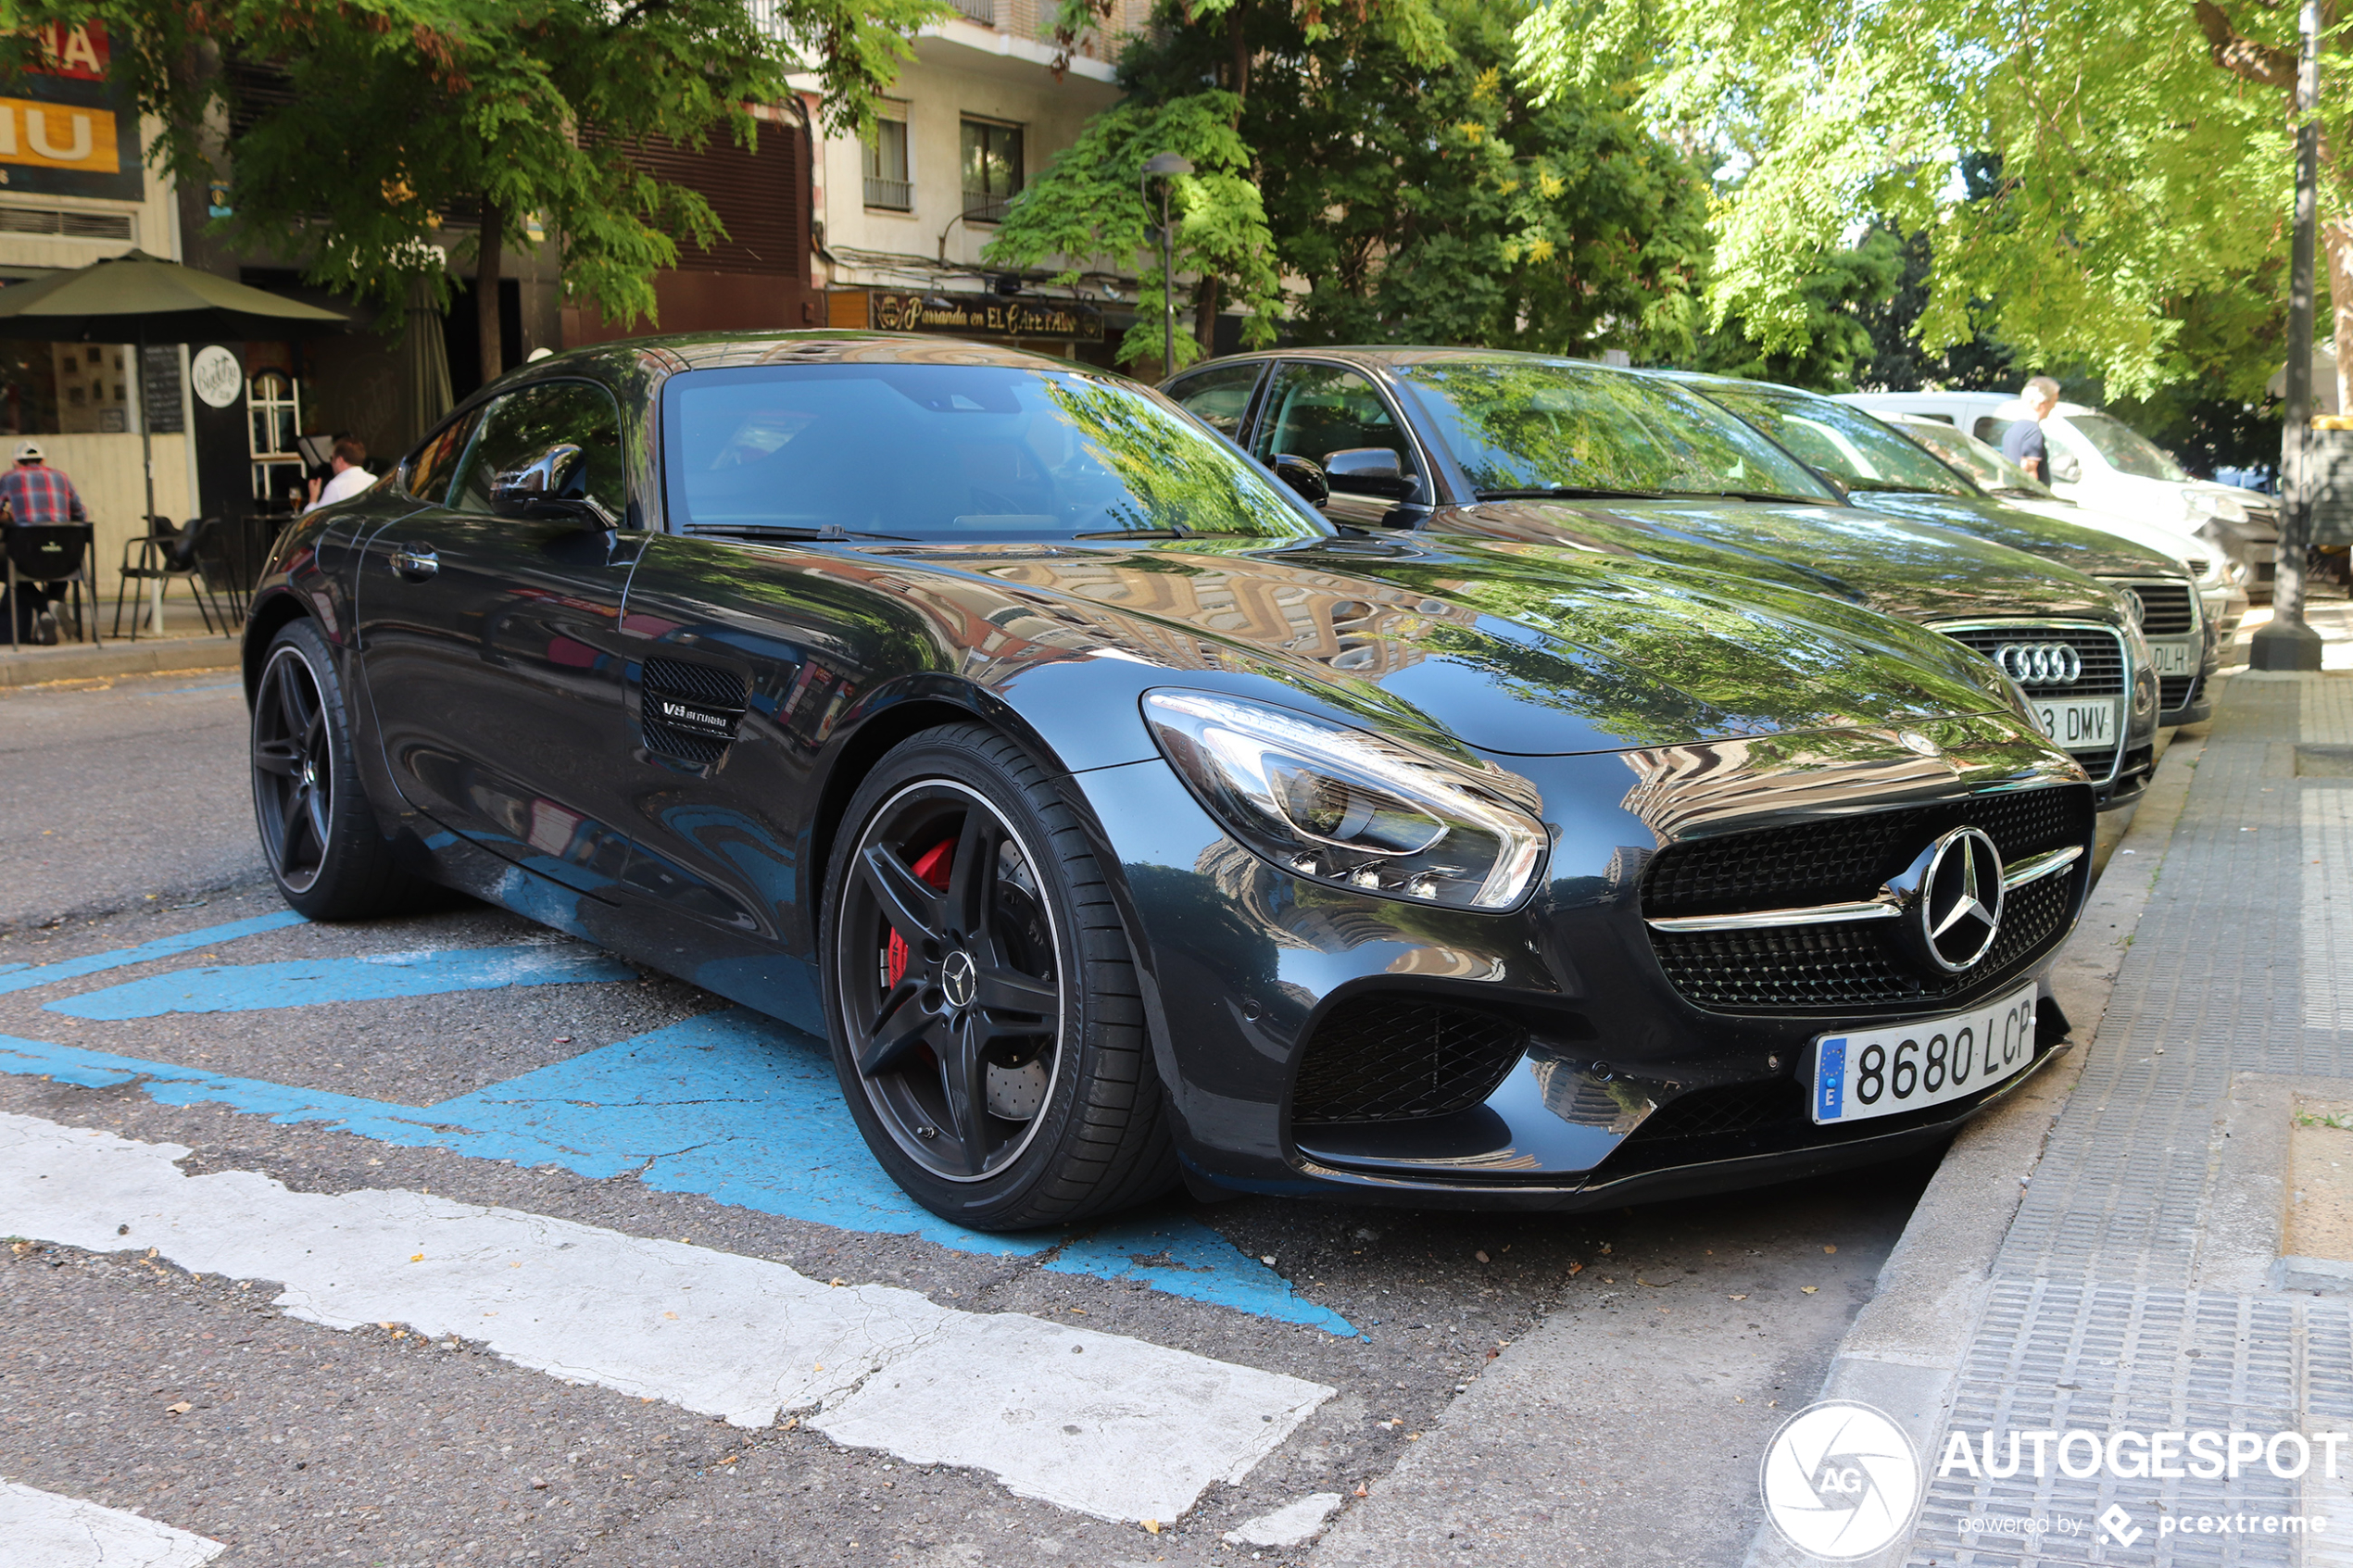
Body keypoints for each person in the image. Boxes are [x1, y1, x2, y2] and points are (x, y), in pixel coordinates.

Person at [0, 440, 86, 645]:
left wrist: (7, 517)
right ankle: (54, 603)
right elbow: (80, 513)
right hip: (66, 559)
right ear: (43, 460)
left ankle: (44, 609)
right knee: (59, 559)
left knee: (8, 569)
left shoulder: (9, 477)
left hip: (27, 556)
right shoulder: (61, 477)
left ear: (16, 461)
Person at [2001, 375, 2064, 483]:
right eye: (2054, 401)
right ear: (2044, 403)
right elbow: (2029, 469)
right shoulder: (2032, 431)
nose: (2054, 406)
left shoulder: (2014, 428)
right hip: (2027, 497)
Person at [304, 435, 373, 513]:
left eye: (332, 458)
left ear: (339, 460)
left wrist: (313, 498)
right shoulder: (375, 481)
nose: (331, 463)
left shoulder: (337, 486)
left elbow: (315, 520)